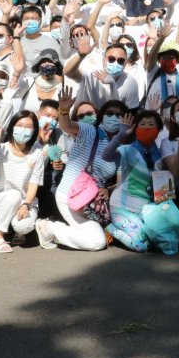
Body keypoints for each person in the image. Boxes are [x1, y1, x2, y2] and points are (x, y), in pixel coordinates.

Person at [39, 93, 119, 252]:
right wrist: (63, 111)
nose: (114, 118)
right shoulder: (90, 131)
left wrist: (108, 189)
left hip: (92, 204)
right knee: (97, 243)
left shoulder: (121, 145)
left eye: (118, 115)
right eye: (109, 114)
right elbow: (67, 126)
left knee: (97, 241)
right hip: (71, 196)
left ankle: (51, 229)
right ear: (102, 116)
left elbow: (121, 179)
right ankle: (47, 227)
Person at [99, 110, 179, 253]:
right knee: (142, 245)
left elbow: (166, 186)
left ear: (158, 130)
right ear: (136, 128)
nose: (146, 127)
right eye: (142, 124)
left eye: (151, 124)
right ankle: (110, 228)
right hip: (123, 208)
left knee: (162, 237)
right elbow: (106, 155)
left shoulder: (161, 155)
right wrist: (120, 135)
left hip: (148, 209)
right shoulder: (127, 150)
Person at [0, 111, 47, 252]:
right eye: (19, 125)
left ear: (34, 130)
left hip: (25, 202)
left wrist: (26, 204)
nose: (23, 129)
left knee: (23, 226)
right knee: (13, 195)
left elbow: (34, 183)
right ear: (12, 127)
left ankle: (15, 228)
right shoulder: (0, 148)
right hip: (0, 200)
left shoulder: (37, 153)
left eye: (28, 127)